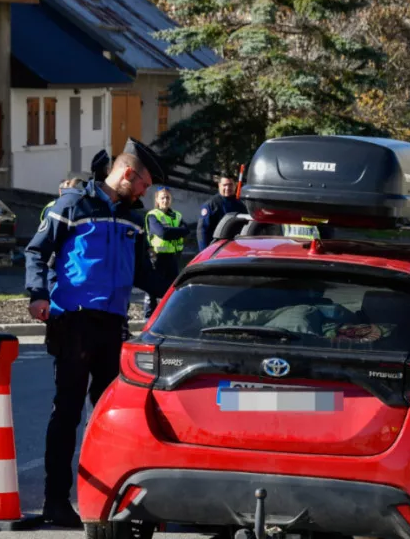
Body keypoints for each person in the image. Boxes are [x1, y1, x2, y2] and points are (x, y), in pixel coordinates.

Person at [25, 138, 169, 527]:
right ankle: (55, 502)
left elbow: (144, 274)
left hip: (112, 325)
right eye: (144, 184)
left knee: (111, 418)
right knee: (68, 413)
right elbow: (36, 252)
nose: (146, 192)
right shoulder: (72, 205)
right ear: (127, 173)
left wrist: (178, 292)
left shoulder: (131, 218)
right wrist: (37, 295)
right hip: (73, 321)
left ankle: (108, 502)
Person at [143, 187, 190, 318]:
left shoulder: (177, 215)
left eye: (168, 197)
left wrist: (171, 231)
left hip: (173, 257)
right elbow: (162, 233)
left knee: (172, 288)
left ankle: (167, 316)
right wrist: (175, 231)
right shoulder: (153, 215)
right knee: (152, 289)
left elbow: (186, 231)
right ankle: (148, 317)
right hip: (157, 257)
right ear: (157, 200)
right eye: (162, 197)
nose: (165, 200)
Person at [197, 175, 247, 251]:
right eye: (224, 185)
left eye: (230, 185)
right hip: (217, 249)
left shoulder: (241, 204)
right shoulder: (211, 204)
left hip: (237, 248)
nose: (227, 188)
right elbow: (202, 231)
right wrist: (204, 252)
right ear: (219, 185)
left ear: (235, 185)